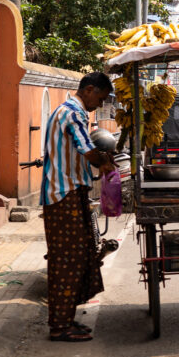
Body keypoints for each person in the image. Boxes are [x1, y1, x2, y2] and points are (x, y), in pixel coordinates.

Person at [40, 72, 116, 342]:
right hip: (64, 194)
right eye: (100, 98)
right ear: (89, 89)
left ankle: (66, 318)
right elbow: (87, 149)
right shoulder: (72, 113)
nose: (100, 104)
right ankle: (59, 326)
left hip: (71, 192)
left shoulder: (71, 111)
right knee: (67, 260)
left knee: (80, 255)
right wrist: (104, 163)